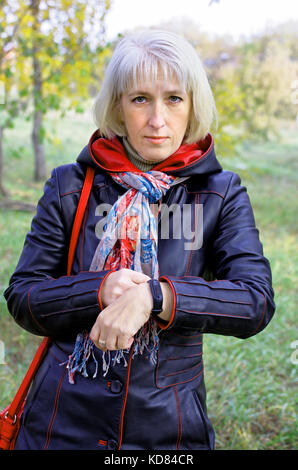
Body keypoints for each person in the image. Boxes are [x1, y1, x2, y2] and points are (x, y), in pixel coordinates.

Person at [4, 29, 275, 450]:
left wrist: (156, 296)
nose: (157, 120)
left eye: (173, 99)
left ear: (192, 105)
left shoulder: (220, 193)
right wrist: (98, 290)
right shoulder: (69, 186)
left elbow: (254, 301)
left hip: (168, 429)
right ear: (117, 105)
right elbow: (24, 296)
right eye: (140, 99)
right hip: (59, 422)